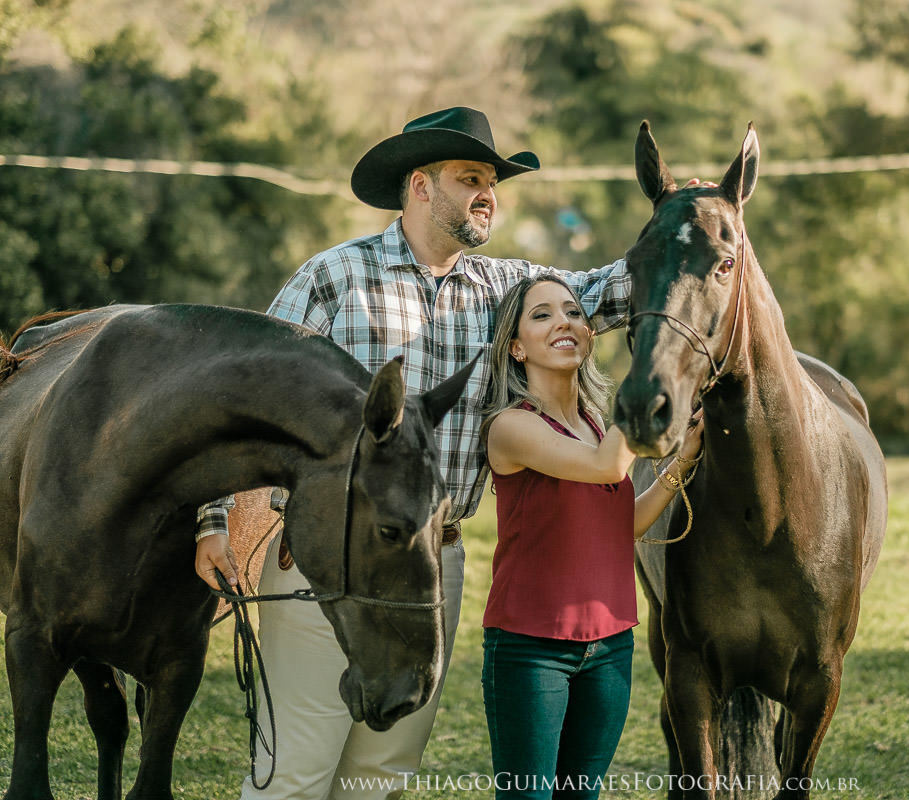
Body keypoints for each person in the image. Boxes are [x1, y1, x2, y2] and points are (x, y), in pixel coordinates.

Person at [193, 107, 633, 800]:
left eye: (492, 180)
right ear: (420, 186)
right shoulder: (336, 277)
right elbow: (247, 396)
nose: (488, 193)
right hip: (325, 554)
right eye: (471, 178)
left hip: (433, 561)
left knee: (381, 775)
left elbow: (616, 289)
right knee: (298, 770)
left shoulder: (504, 292)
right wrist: (213, 519)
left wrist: (697, 220)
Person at [479, 275, 704, 800]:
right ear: (515, 347)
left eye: (574, 312)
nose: (564, 321)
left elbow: (617, 527)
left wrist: (681, 462)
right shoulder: (511, 426)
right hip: (530, 650)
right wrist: (658, 367)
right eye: (541, 315)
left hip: (609, 647)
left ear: (588, 333)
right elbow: (606, 471)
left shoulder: (597, 425)